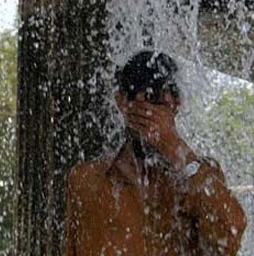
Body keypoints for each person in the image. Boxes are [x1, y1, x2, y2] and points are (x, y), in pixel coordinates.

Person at [64, 51, 247, 256]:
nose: (152, 119)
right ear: (122, 102)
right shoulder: (87, 180)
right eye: (145, 105)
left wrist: (174, 146)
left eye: (159, 105)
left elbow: (230, 236)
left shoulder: (198, 177)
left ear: (175, 104)